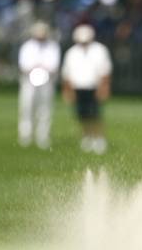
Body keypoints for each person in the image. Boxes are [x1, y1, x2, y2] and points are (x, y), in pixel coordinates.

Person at [61, 24, 113, 154]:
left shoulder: (100, 50)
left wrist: (104, 87)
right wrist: (68, 90)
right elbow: (67, 74)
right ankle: (87, 137)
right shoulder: (72, 53)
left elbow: (105, 71)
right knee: (82, 115)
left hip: (94, 87)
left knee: (95, 114)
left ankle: (99, 138)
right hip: (78, 88)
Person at [17, 21, 60, 149]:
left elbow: (53, 65)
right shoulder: (27, 47)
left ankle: (43, 136)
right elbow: (24, 65)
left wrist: (42, 68)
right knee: (27, 107)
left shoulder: (52, 47)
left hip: (46, 82)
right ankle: (25, 135)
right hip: (29, 81)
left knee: (45, 109)